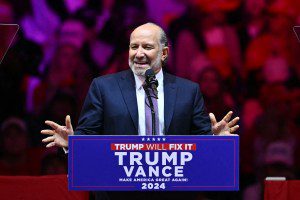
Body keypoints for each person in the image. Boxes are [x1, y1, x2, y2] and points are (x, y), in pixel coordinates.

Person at [41, 22, 239, 149]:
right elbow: (89, 136)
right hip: (118, 191)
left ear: (164, 54)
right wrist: (73, 142)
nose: (139, 53)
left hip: (172, 192)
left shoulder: (188, 91)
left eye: (148, 47)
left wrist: (215, 141)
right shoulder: (103, 88)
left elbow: (200, 142)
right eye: (134, 47)